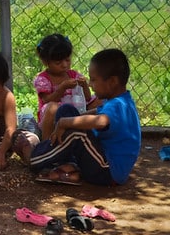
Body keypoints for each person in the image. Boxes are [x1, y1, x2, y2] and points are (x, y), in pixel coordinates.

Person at [29, 48, 141, 186]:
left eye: (93, 80)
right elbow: (95, 113)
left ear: (112, 81)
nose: (90, 85)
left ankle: (36, 159)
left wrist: (65, 123)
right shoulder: (118, 100)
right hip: (100, 159)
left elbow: (100, 121)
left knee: (78, 133)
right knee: (67, 110)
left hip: (108, 171)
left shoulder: (118, 105)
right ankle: (67, 162)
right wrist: (70, 120)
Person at [33, 34, 96, 140]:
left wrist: (84, 86)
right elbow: (47, 100)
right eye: (58, 62)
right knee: (53, 107)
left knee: (99, 102)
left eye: (67, 60)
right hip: (52, 118)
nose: (64, 65)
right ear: (46, 62)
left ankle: (93, 138)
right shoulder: (43, 79)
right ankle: (46, 142)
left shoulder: (73, 75)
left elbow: (87, 98)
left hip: (76, 113)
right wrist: (62, 88)